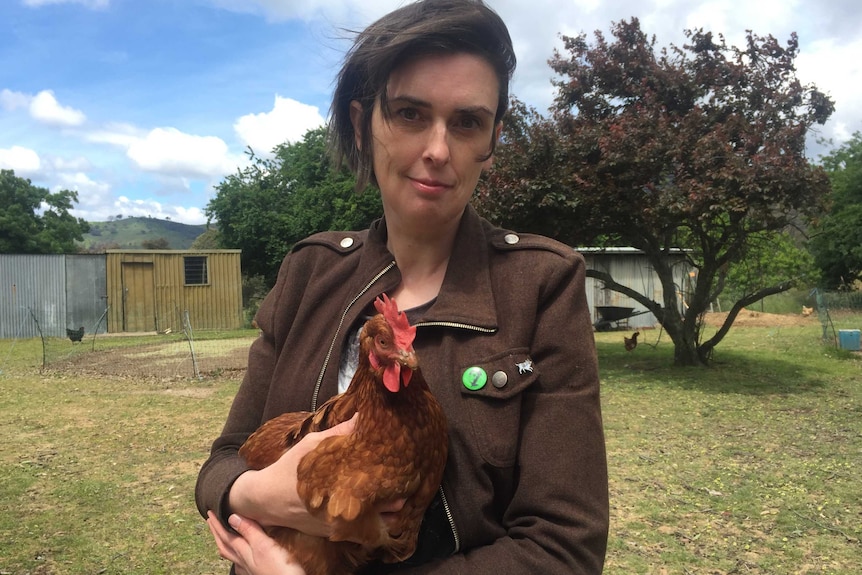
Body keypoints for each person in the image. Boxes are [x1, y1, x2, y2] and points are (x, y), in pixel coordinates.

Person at [195, 0, 609, 573]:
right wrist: (260, 495)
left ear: (492, 139)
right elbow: (224, 461)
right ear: (365, 125)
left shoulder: (540, 285)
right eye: (411, 114)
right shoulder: (309, 271)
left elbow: (564, 548)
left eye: (467, 121)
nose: (438, 150)